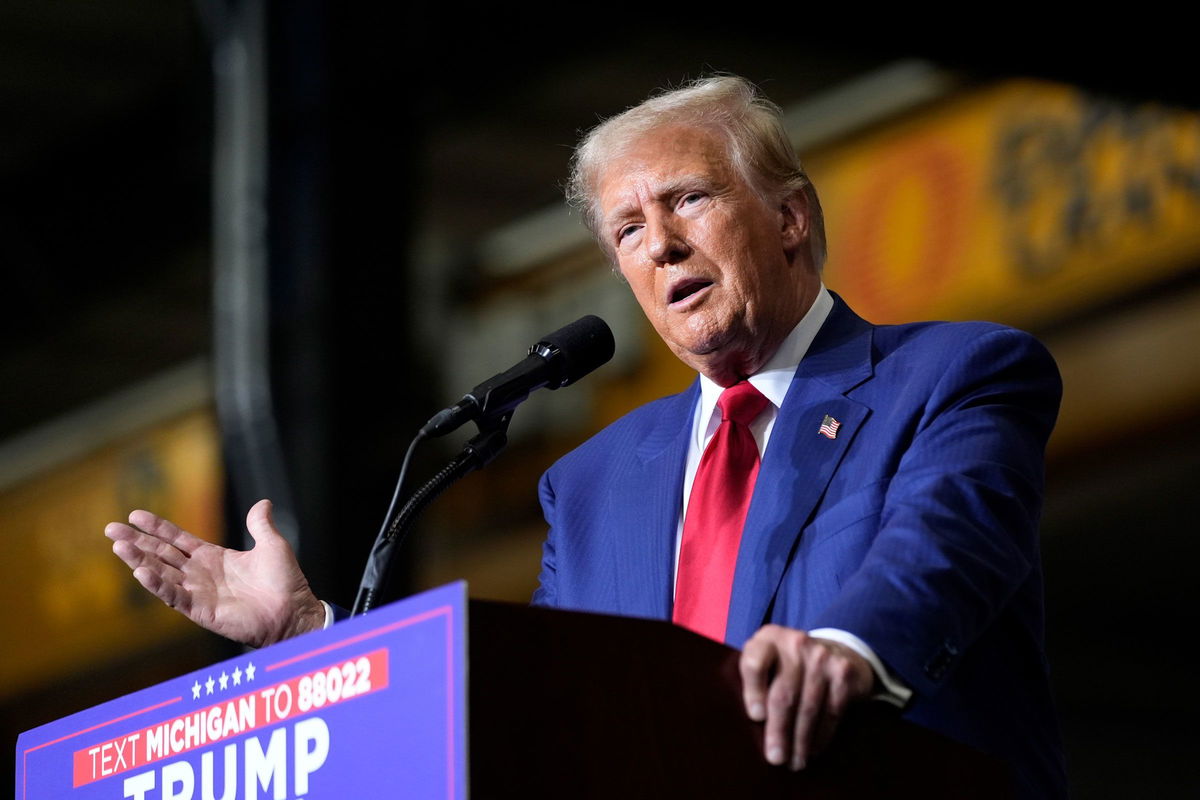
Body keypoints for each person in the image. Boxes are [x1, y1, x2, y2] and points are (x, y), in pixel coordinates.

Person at [107, 76, 1066, 797]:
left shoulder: (958, 375)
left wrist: (846, 651)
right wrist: (316, 642)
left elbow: (943, 554)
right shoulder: (596, 481)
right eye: (627, 230)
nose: (659, 244)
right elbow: (544, 702)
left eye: (688, 199)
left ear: (788, 218)